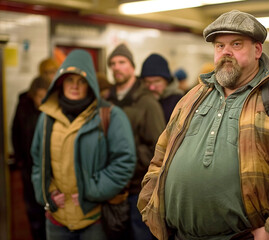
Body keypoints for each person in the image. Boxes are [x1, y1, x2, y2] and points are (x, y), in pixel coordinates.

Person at [138, 10, 269, 240]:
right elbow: (160, 157)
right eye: (219, 46)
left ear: (257, 50)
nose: (226, 52)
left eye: (236, 44)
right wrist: (149, 203)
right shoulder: (193, 97)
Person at [31, 49, 136, 240]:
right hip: (56, 220)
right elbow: (38, 161)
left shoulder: (111, 116)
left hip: (93, 219)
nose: (75, 86)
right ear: (60, 82)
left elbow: (124, 162)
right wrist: (47, 193)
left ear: (90, 85)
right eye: (70, 80)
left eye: (82, 81)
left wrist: (90, 190)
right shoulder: (47, 117)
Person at [107, 43, 166, 240]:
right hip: (112, 189)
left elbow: (159, 148)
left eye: (122, 62)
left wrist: (130, 157)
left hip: (137, 190)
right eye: (112, 63)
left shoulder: (147, 102)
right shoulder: (107, 101)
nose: (116, 67)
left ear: (132, 67)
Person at [11, 76, 51, 240]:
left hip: (49, 170)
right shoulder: (24, 109)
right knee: (33, 211)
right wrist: (20, 160)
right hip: (29, 168)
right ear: (32, 95)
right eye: (39, 96)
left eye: (45, 96)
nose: (42, 100)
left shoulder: (52, 113)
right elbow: (16, 133)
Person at [141, 53, 184, 123]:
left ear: (167, 81)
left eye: (157, 81)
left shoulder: (179, 103)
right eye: (147, 82)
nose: (152, 87)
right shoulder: (139, 100)